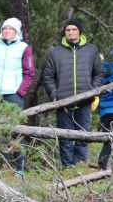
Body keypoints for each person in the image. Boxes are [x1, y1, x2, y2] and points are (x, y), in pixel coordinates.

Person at [41, 17, 104, 168]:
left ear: (79, 31)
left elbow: (99, 73)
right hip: (63, 101)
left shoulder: (91, 50)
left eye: (74, 29)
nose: (70, 32)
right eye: (68, 30)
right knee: (65, 137)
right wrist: (55, 95)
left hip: (85, 101)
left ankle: (80, 167)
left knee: (83, 136)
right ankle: (67, 168)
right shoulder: (55, 52)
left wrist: (92, 91)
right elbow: (47, 76)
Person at [0, 17, 35, 173]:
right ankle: (0, 165)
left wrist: (20, 91)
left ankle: (21, 167)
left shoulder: (24, 48)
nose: (6, 31)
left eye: (9, 29)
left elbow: (29, 73)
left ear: (16, 32)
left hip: (13, 95)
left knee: (16, 130)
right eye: (4, 28)